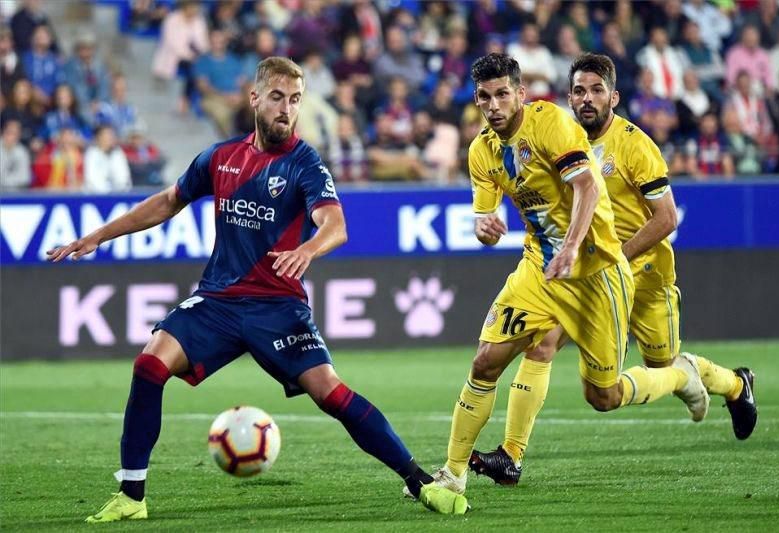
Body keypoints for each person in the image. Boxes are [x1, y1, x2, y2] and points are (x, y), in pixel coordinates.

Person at [48, 57, 467, 522]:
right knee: (149, 364)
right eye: (277, 98)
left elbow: (336, 223)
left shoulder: (305, 162)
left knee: (330, 392)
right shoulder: (221, 157)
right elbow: (169, 201)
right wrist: (97, 236)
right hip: (218, 301)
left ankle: (420, 482)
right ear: (255, 98)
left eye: (294, 100)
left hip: (278, 306)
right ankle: (131, 496)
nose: (286, 109)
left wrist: (309, 249)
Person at [422, 53, 710, 497]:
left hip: (595, 273)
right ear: (476, 101)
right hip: (540, 268)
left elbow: (588, 185)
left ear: (521, 94)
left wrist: (573, 247)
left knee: (603, 396)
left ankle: (681, 376)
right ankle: (453, 473)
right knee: (486, 359)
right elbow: (484, 218)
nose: (495, 105)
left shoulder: (551, 124)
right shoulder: (481, 150)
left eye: (503, 94)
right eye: (485, 97)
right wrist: (484, 226)